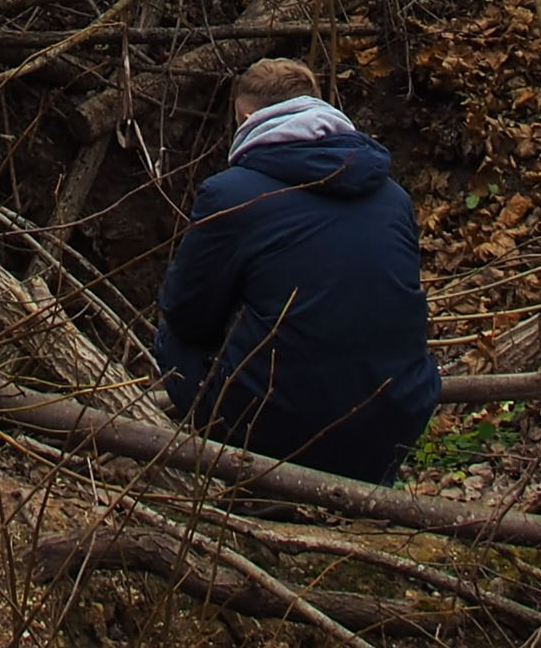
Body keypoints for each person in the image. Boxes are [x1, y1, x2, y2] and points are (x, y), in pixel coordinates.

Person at [153, 59, 439, 482]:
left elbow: (188, 316)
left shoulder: (230, 194)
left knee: (174, 333)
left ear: (247, 118)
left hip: (278, 431)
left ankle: (239, 476)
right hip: (395, 420)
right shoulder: (392, 195)